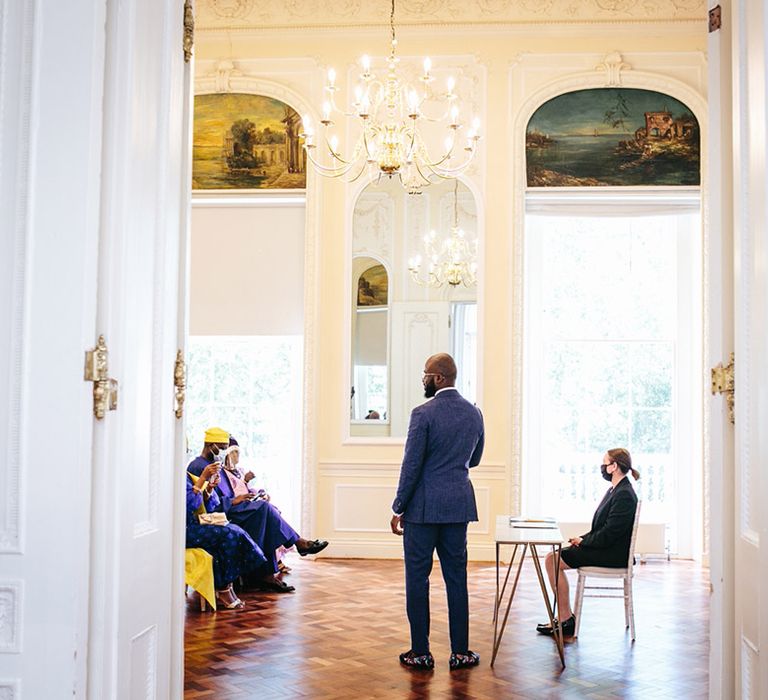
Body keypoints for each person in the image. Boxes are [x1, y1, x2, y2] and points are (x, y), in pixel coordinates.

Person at [390, 353, 485, 671]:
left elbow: (412, 464)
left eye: (426, 374)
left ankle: (421, 652)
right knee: (456, 578)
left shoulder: (422, 413)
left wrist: (398, 506)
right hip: (458, 506)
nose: (423, 380)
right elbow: (475, 460)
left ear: (440, 377)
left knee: (418, 579)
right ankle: (461, 652)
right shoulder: (475, 414)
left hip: (422, 510)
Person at [188, 427, 329, 593]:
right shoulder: (198, 466)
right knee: (264, 509)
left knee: (265, 514)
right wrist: (233, 501)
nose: (225, 452)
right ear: (212, 445)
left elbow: (223, 489)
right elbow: (206, 501)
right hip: (221, 513)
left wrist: (246, 495)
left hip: (233, 507)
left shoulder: (215, 465)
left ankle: (268, 575)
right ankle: (298, 544)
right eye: (223, 447)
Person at [536, 447, 640, 637]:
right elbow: (603, 528)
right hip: (606, 548)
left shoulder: (624, 493)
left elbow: (609, 533)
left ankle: (566, 619)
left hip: (612, 554)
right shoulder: (615, 490)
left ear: (614, 466)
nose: (602, 467)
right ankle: (565, 618)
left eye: (605, 463)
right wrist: (582, 539)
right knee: (553, 557)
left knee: (552, 560)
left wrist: (583, 542)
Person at [186, 462, 267, 610]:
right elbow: (189, 504)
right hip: (183, 530)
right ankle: (223, 589)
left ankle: (226, 586)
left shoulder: (185, 476)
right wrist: (203, 478)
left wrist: (209, 487)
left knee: (233, 529)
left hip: (195, 524)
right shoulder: (176, 478)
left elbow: (206, 505)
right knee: (228, 535)